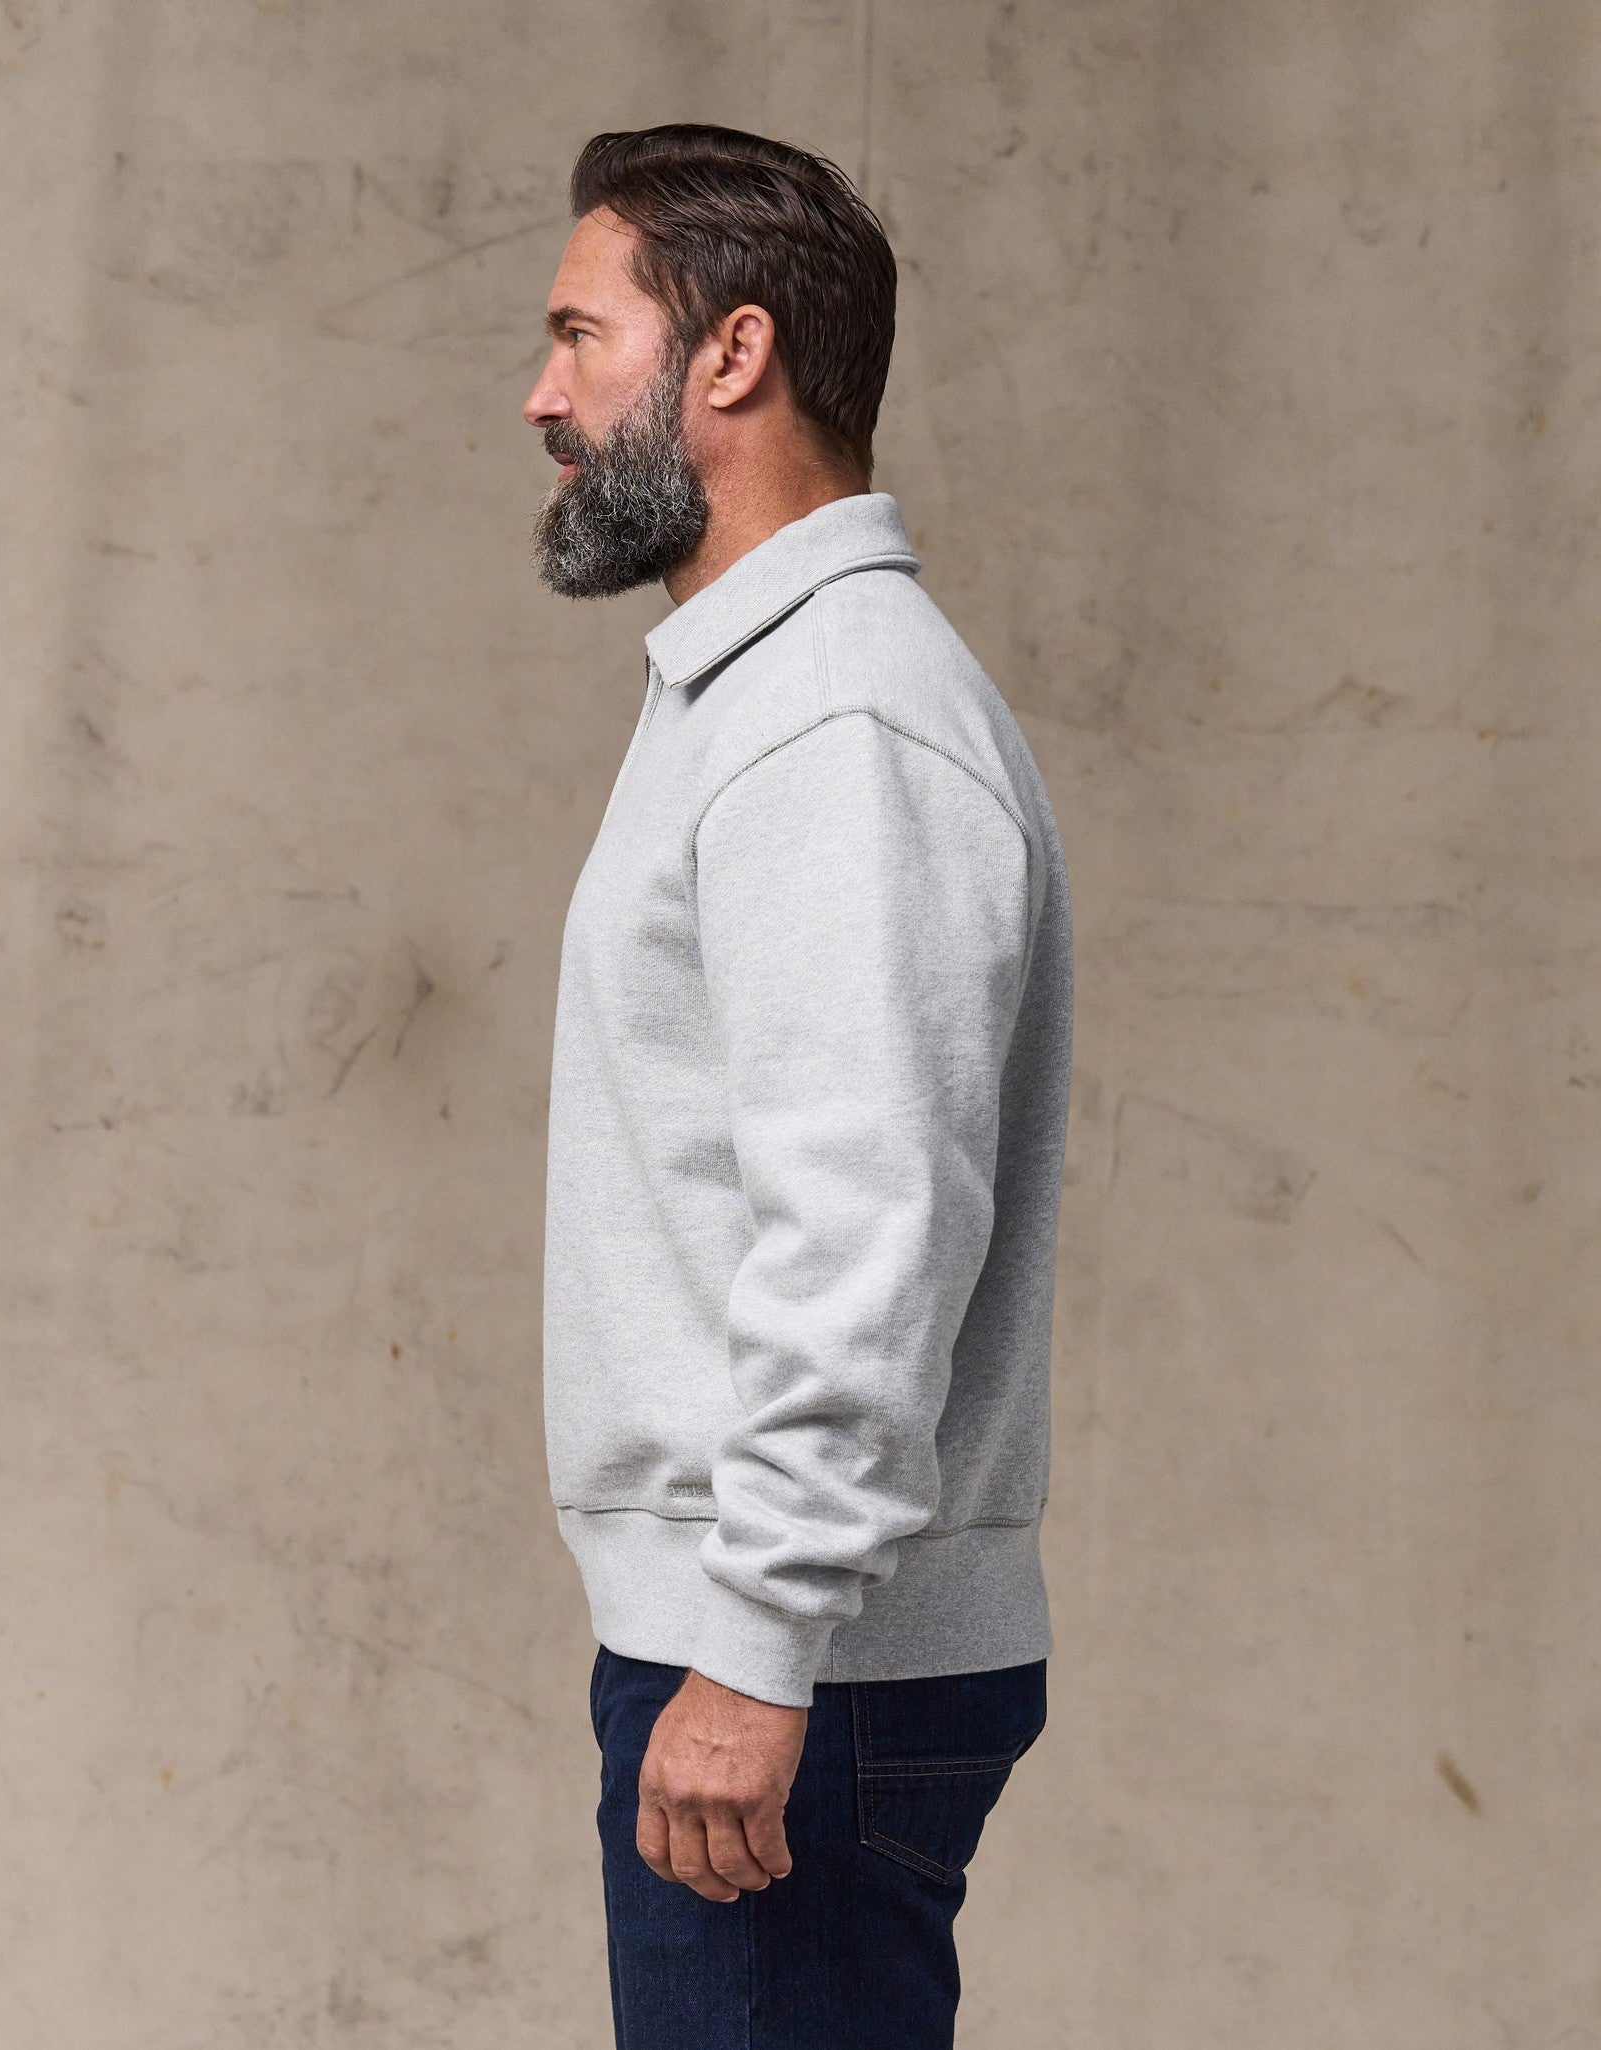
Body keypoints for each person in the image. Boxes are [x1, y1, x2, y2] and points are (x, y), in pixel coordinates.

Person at [523, 122, 1075, 2050]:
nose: (542, 396)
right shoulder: (766, 691)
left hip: (801, 1667)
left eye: (579, 336)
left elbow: (868, 1222)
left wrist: (756, 1646)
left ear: (733, 354)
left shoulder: (837, 716)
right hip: (782, 1645)